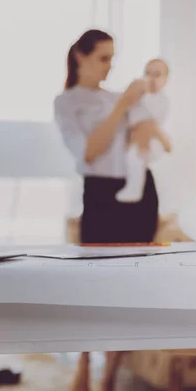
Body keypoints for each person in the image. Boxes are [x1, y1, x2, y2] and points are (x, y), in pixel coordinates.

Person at [54, 29, 170, 245]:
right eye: (103, 58)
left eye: (112, 59)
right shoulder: (66, 102)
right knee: (99, 268)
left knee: (142, 265)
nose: (110, 65)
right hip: (101, 194)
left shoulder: (117, 96)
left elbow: (146, 132)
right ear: (81, 56)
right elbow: (88, 152)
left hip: (141, 190)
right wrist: (123, 106)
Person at [116, 58, 171, 203]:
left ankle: (134, 190)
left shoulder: (162, 101)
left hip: (152, 141)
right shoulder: (139, 97)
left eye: (157, 74)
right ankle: (132, 187)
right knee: (131, 157)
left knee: (136, 156)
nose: (151, 78)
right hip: (136, 137)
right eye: (148, 73)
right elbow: (130, 117)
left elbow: (151, 122)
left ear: (166, 80)